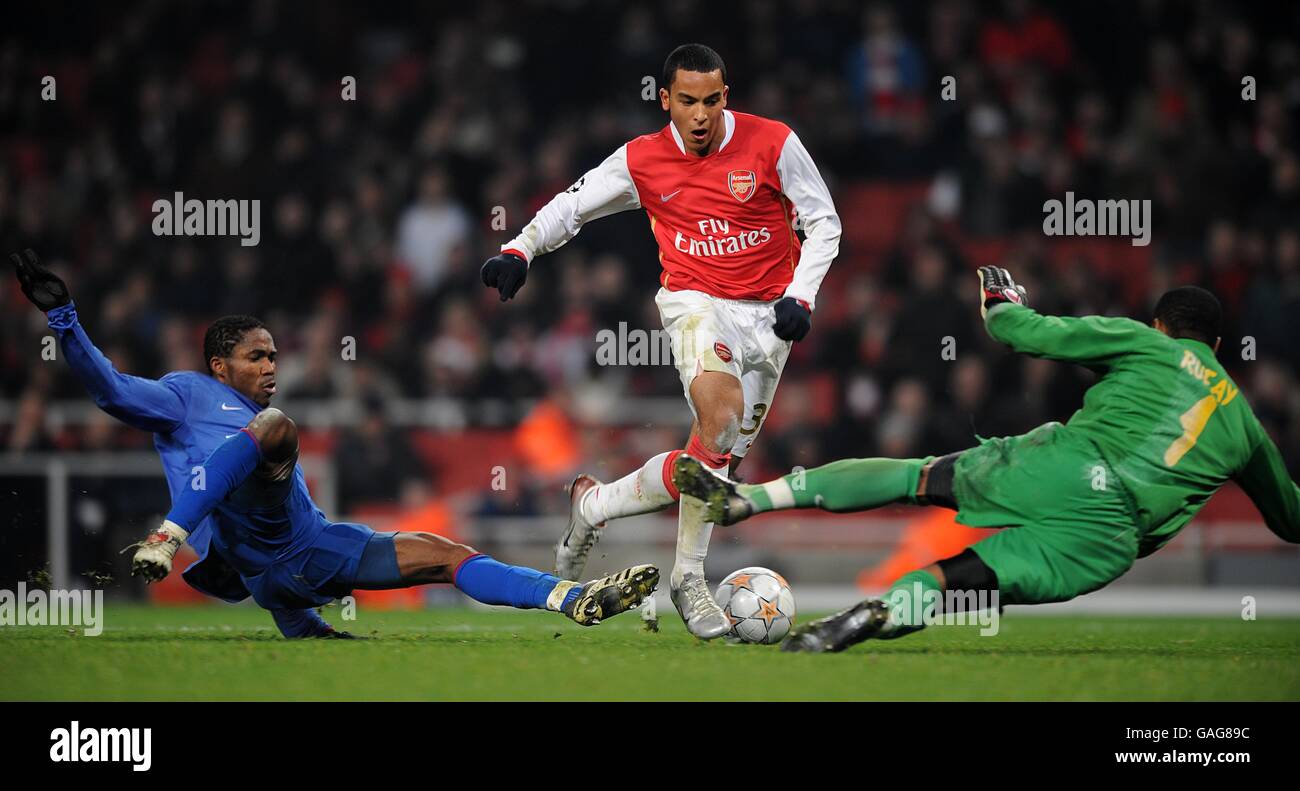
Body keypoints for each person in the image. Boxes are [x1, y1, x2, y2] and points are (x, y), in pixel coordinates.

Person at [10, 249, 658, 638]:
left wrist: (300, 623)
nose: (270, 367)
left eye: (273, 356)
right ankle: (166, 533)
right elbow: (111, 391)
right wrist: (64, 319)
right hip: (263, 550)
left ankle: (568, 597)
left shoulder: (232, 406)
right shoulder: (184, 395)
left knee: (444, 553)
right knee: (276, 429)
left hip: (285, 567)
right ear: (217, 364)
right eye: (255, 357)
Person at [672, 266, 1300, 652]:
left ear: (1161, 326)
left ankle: (748, 499)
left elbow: (1017, 332)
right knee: (955, 583)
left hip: (1069, 465)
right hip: (1110, 541)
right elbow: (1291, 520)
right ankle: (866, 616)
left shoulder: (1144, 343)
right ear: (1217, 346)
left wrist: (999, 297)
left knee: (915, 479)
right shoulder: (1245, 427)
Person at [481, 43, 841, 638]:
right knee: (720, 420)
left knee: (713, 468)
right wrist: (521, 248)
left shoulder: (773, 142)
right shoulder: (642, 160)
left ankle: (593, 507)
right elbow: (574, 206)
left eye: (711, 101)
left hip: (771, 315)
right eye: (687, 102)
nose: (700, 116)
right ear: (664, 100)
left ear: (726, 97)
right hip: (696, 303)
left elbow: (824, 220)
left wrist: (802, 295)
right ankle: (688, 580)